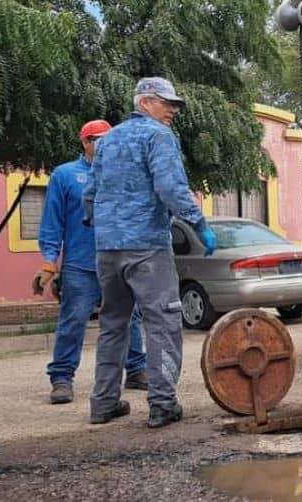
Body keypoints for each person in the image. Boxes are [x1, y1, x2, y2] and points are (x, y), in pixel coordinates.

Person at [84, 77, 215, 428]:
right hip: (146, 248)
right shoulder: (158, 136)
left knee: (113, 323)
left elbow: (91, 193)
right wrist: (198, 223)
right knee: (162, 322)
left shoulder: (107, 141)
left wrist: (101, 224)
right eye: (166, 103)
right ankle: (162, 403)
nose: (172, 110)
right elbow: (170, 187)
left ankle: (103, 403)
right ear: (144, 103)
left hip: (108, 249)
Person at [36, 120, 150, 406]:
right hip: (81, 265)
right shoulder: (65, 175)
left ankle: (135, 369)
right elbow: (53, 220)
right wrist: (49, 261)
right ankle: (62, 378)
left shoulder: (123, 173)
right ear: (85, 142)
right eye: (98, 139)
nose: (105, 144)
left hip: (118, 258)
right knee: (73, 320)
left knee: (130, 318)